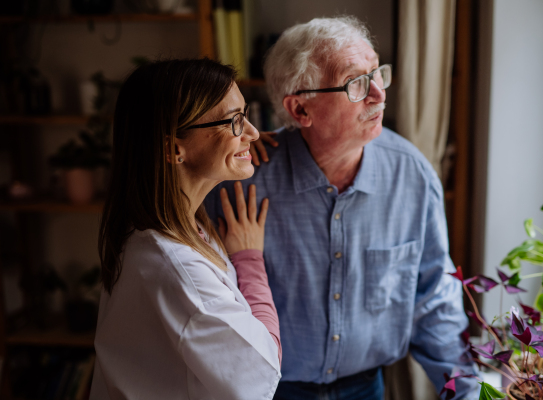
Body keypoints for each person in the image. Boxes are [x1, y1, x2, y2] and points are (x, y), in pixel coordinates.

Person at [205, 17, 478, 399]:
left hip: (367, 387)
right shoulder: (243, 184)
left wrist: (467, 392)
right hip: (270, 390)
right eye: (356, 83)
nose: (379, 94)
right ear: (300, 110)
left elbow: (433, 300)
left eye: (377, 73)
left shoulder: (412, 176)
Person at [90, 59, 281, 400]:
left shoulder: (160, 227)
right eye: (235, 121)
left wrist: (234, 142)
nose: (252, 132)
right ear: (173, 148)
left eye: (246, 115)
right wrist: (250, 261)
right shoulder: (177, 269)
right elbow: (262, 369)